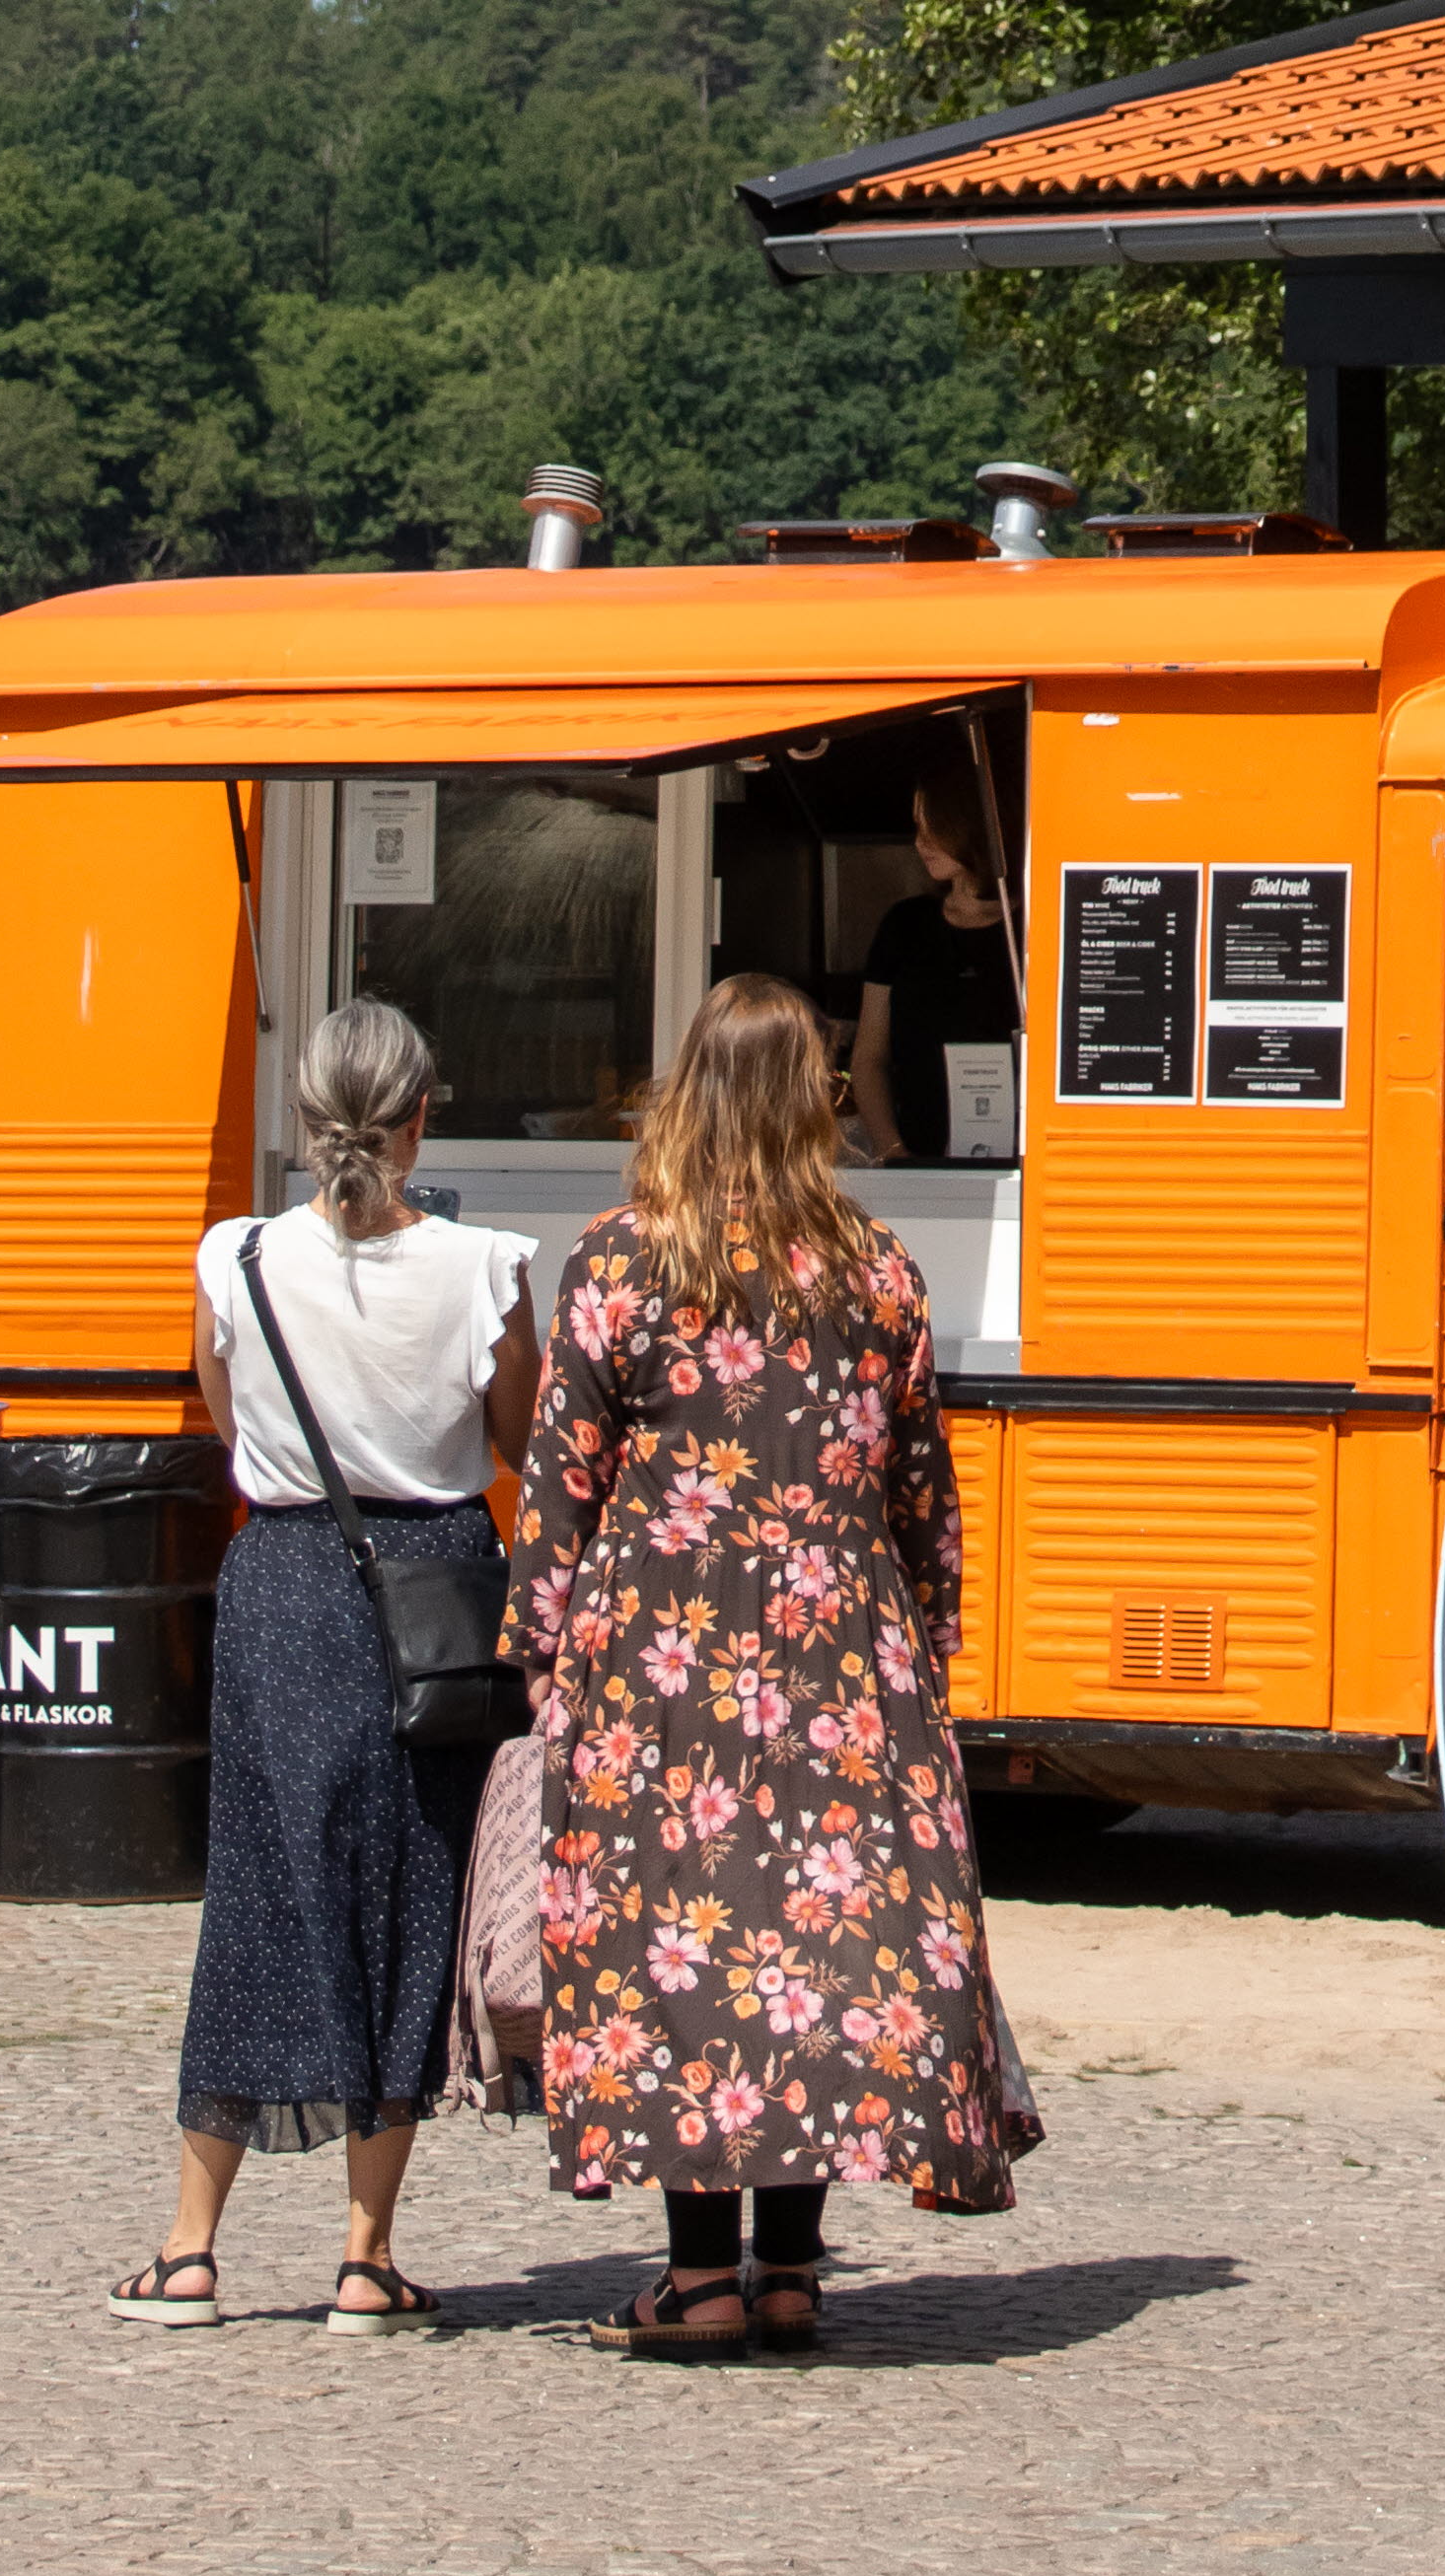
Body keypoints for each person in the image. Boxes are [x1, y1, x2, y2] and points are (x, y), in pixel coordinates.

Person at [514, 973, 1040, 2359]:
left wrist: (541, 1652)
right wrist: (923, 1638)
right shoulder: (878, 1270)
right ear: (817, 1099)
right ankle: (793, 2266)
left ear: (684, 1090)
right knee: (807, 1944)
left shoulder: (621, 1261)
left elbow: (561, 1478)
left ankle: (695, 2278)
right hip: (836, 1653)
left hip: (661, 1658)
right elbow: (922, 1490)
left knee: (677, 1942)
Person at [109, 999, 541, 2339]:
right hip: (438, 1597)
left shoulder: (232, 1257)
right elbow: (517, 1436)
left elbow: (229, 1420)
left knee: (260, 1893)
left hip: (288, 1581)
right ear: (422, 1119)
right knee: (408, 1901)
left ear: (303, 1124)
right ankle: (368, 2254)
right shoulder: (488, 1267)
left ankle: (189, 2249)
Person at [844, 781, 1020, 1166]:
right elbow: (868, 1057)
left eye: (933, 829)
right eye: (917, 829)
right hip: (917, 1159)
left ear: (973, 827)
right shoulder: (904, 925)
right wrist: (894, 1153)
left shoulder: (1034, 928)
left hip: (1018, 1170)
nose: (920, 843)